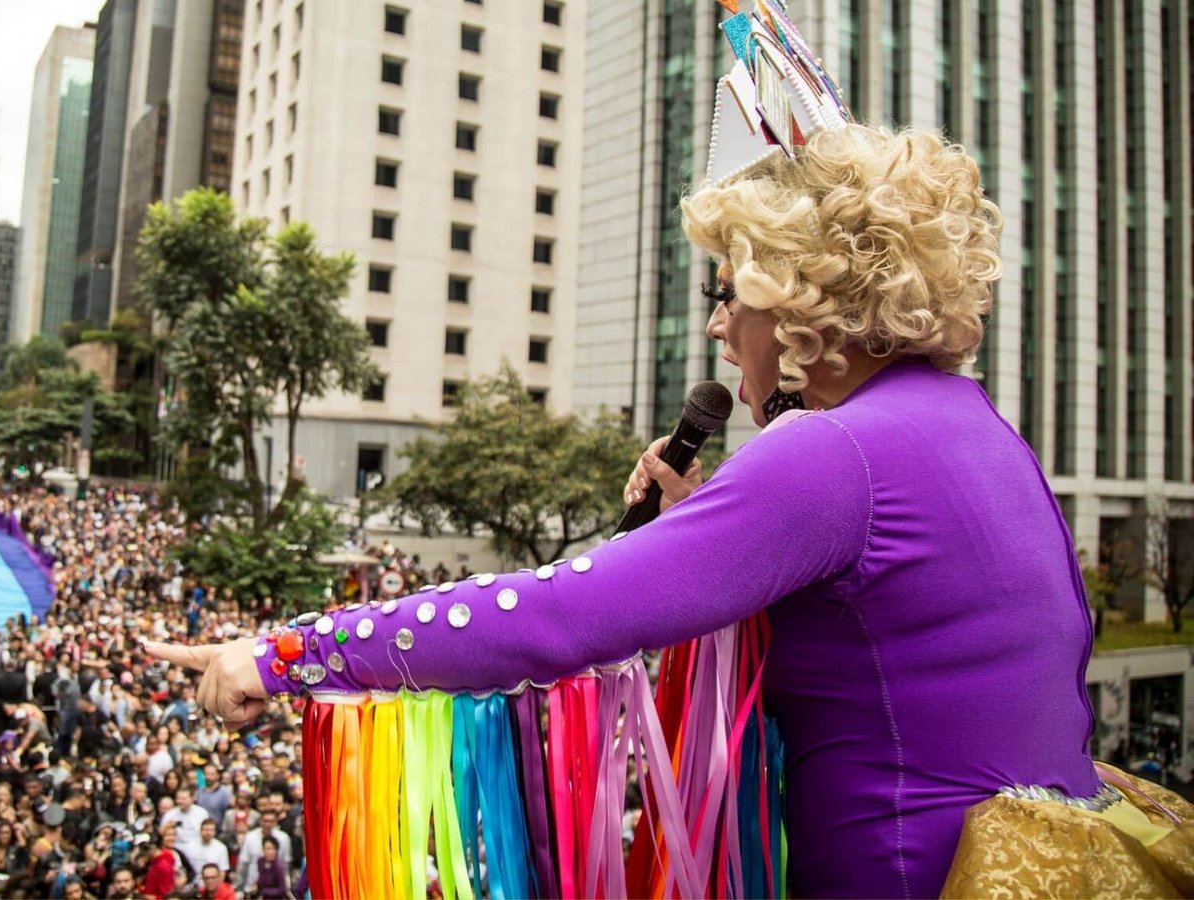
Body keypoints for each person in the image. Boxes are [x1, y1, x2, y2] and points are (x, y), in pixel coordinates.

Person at [144, 118, 1128, 900]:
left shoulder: (830, 455)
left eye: (728, 294)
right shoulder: (974, 427)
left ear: (800, 297)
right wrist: (704, 515)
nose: (716, 326)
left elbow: (555, 614)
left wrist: (285, 653)